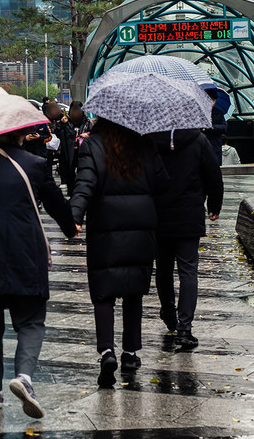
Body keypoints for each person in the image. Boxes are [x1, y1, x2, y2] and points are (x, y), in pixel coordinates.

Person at [0, 127, 77, 418]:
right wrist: (71, 228)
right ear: (22, 135)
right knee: (31, 320)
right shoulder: (35, 164)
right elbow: (57, 202)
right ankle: (24, 378)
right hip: (26, 252)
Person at [70, 119, 167, 388]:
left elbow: (84, 184)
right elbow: (162, 184)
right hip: (142, 226)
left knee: (104, 293)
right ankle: (130, 352)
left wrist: (74, 217)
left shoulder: (93, 144)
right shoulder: (146, 145)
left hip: (106, 227)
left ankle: (106, 351)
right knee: (133, 291)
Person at [149, 128, 223, 348]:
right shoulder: (198, 140)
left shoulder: (151, 139)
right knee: (188, 271)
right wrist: (214, 205)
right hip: (189, 215)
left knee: (163, 268)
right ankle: (184, 329)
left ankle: (168, 312)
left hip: (159, 214)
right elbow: (213, 174)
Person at [55, 101, 92, 195]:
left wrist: (87, 135)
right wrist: (62, 123)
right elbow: (57, 132)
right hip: (68, 152)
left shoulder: (87, 122)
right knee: (70, 173)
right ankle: (72, 193)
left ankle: (81, 192)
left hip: (82, 151)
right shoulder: (66, 121)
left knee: (83, 172)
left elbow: (93, 134)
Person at [202, 89, 227, 165]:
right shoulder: (200, 111)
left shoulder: (219, 113)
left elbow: (224, 128)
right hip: (202, 145)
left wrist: (211, 126)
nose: (211, 103)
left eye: (213, 100)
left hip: (215, 145)